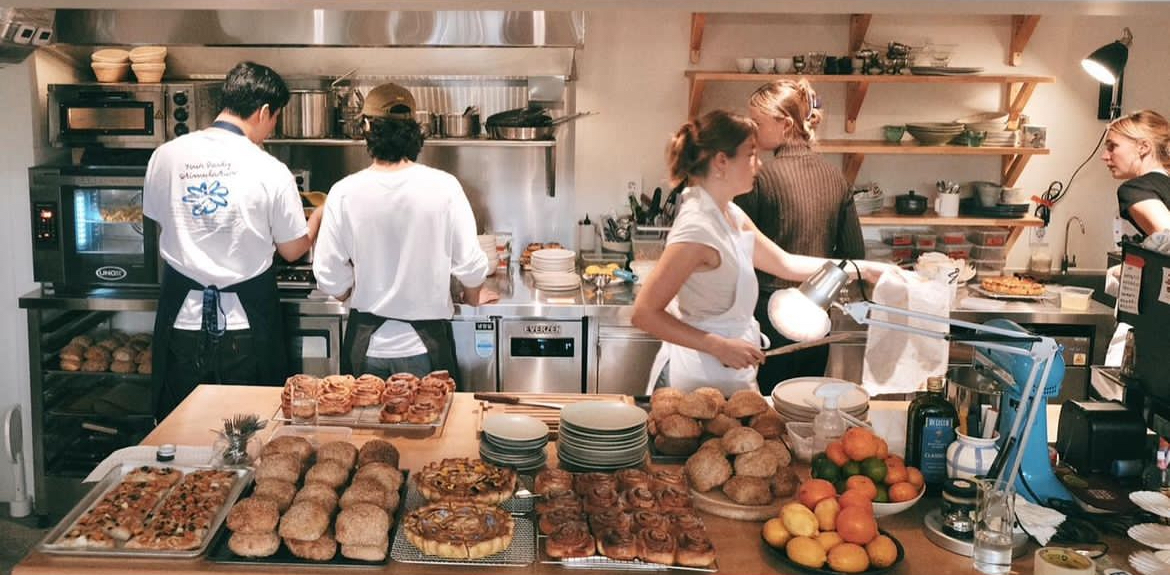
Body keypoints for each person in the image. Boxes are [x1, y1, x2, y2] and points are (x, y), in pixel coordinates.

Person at [631, 110, 891, 396]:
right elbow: (644, 313)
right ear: (721, 162)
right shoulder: (697, 230)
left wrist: (858, 269)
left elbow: (785, 263)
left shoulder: (731, 214)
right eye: (751, 154)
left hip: (732, 373)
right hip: (696, 379)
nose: (759, 164)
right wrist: (717, 345)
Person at [144, 61, 321, 420]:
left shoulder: (166, 155)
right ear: (264, 111)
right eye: (274, 121)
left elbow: (159, 220)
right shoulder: (270, 169)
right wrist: (317, 217)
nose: (270, 131)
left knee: (182, 433)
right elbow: (292, 249)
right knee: (251, 435)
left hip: (182, 322)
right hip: (246, 328)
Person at [313, 83, 496, 382]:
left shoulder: (344, 192)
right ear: (414, 129)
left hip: (366, 347)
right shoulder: (444, 186)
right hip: (427, 350)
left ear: (367, 127)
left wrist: (352, 292)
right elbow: (471, 266)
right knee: (433, 427)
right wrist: (473, 294)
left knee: (364, 426)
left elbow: (328, 276)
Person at [734, 78, 865, 395]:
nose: (752, 129)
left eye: (757, 122)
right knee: (803, 406)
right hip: (817, 317)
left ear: (785, 123)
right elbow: (854, 256)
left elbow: (735, 253)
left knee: (763, 412)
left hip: (765, 314)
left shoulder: (759, 177)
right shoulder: (836, 176)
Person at [1100, 110, 1170, 376]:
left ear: (1143, 147)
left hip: (1152, 334)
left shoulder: (1135, 190)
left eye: (1113, 146)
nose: (1105, 156)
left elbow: (1167, 239)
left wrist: (1131, 269)